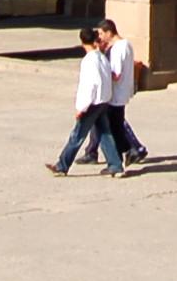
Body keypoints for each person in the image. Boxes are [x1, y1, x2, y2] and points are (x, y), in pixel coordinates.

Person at [47, 25, 121, 177]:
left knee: (77, 135)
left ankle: (62, 165)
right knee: (104, 134)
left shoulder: (89, 60)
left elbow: (89, 85)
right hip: (103, 101)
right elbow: (106, 79)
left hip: (92, 103)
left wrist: (82, 107)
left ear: (82, 42)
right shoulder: (102, 57)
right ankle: (115, 165)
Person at [99, 16, 150, 166]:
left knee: (116, 124)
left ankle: (131, 150)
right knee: (118, 122)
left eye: (102, 34)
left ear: (109, 32)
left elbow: (116, 73)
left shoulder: (118, 49)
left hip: (116, 93)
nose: (101, 37)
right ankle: (132, 149)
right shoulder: (127, 44)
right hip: (123, 90)